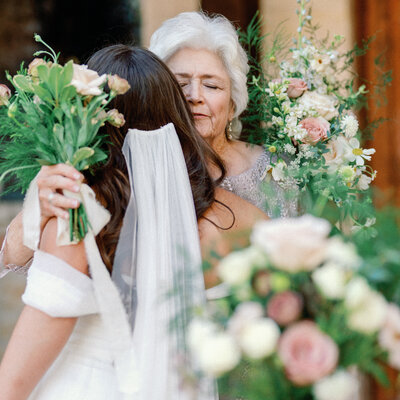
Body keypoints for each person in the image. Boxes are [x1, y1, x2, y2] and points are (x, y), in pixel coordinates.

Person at [0, 45, 266, 400]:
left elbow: (13, 383)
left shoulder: (76, 220)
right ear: (176, 116)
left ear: (90, 120)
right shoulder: (240, 219)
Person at [149, 11, 298, 217]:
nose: (195, 96)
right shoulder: (147, 170)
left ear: (233, 105)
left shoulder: (275, 171)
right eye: (180, 84)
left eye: (211, 85)